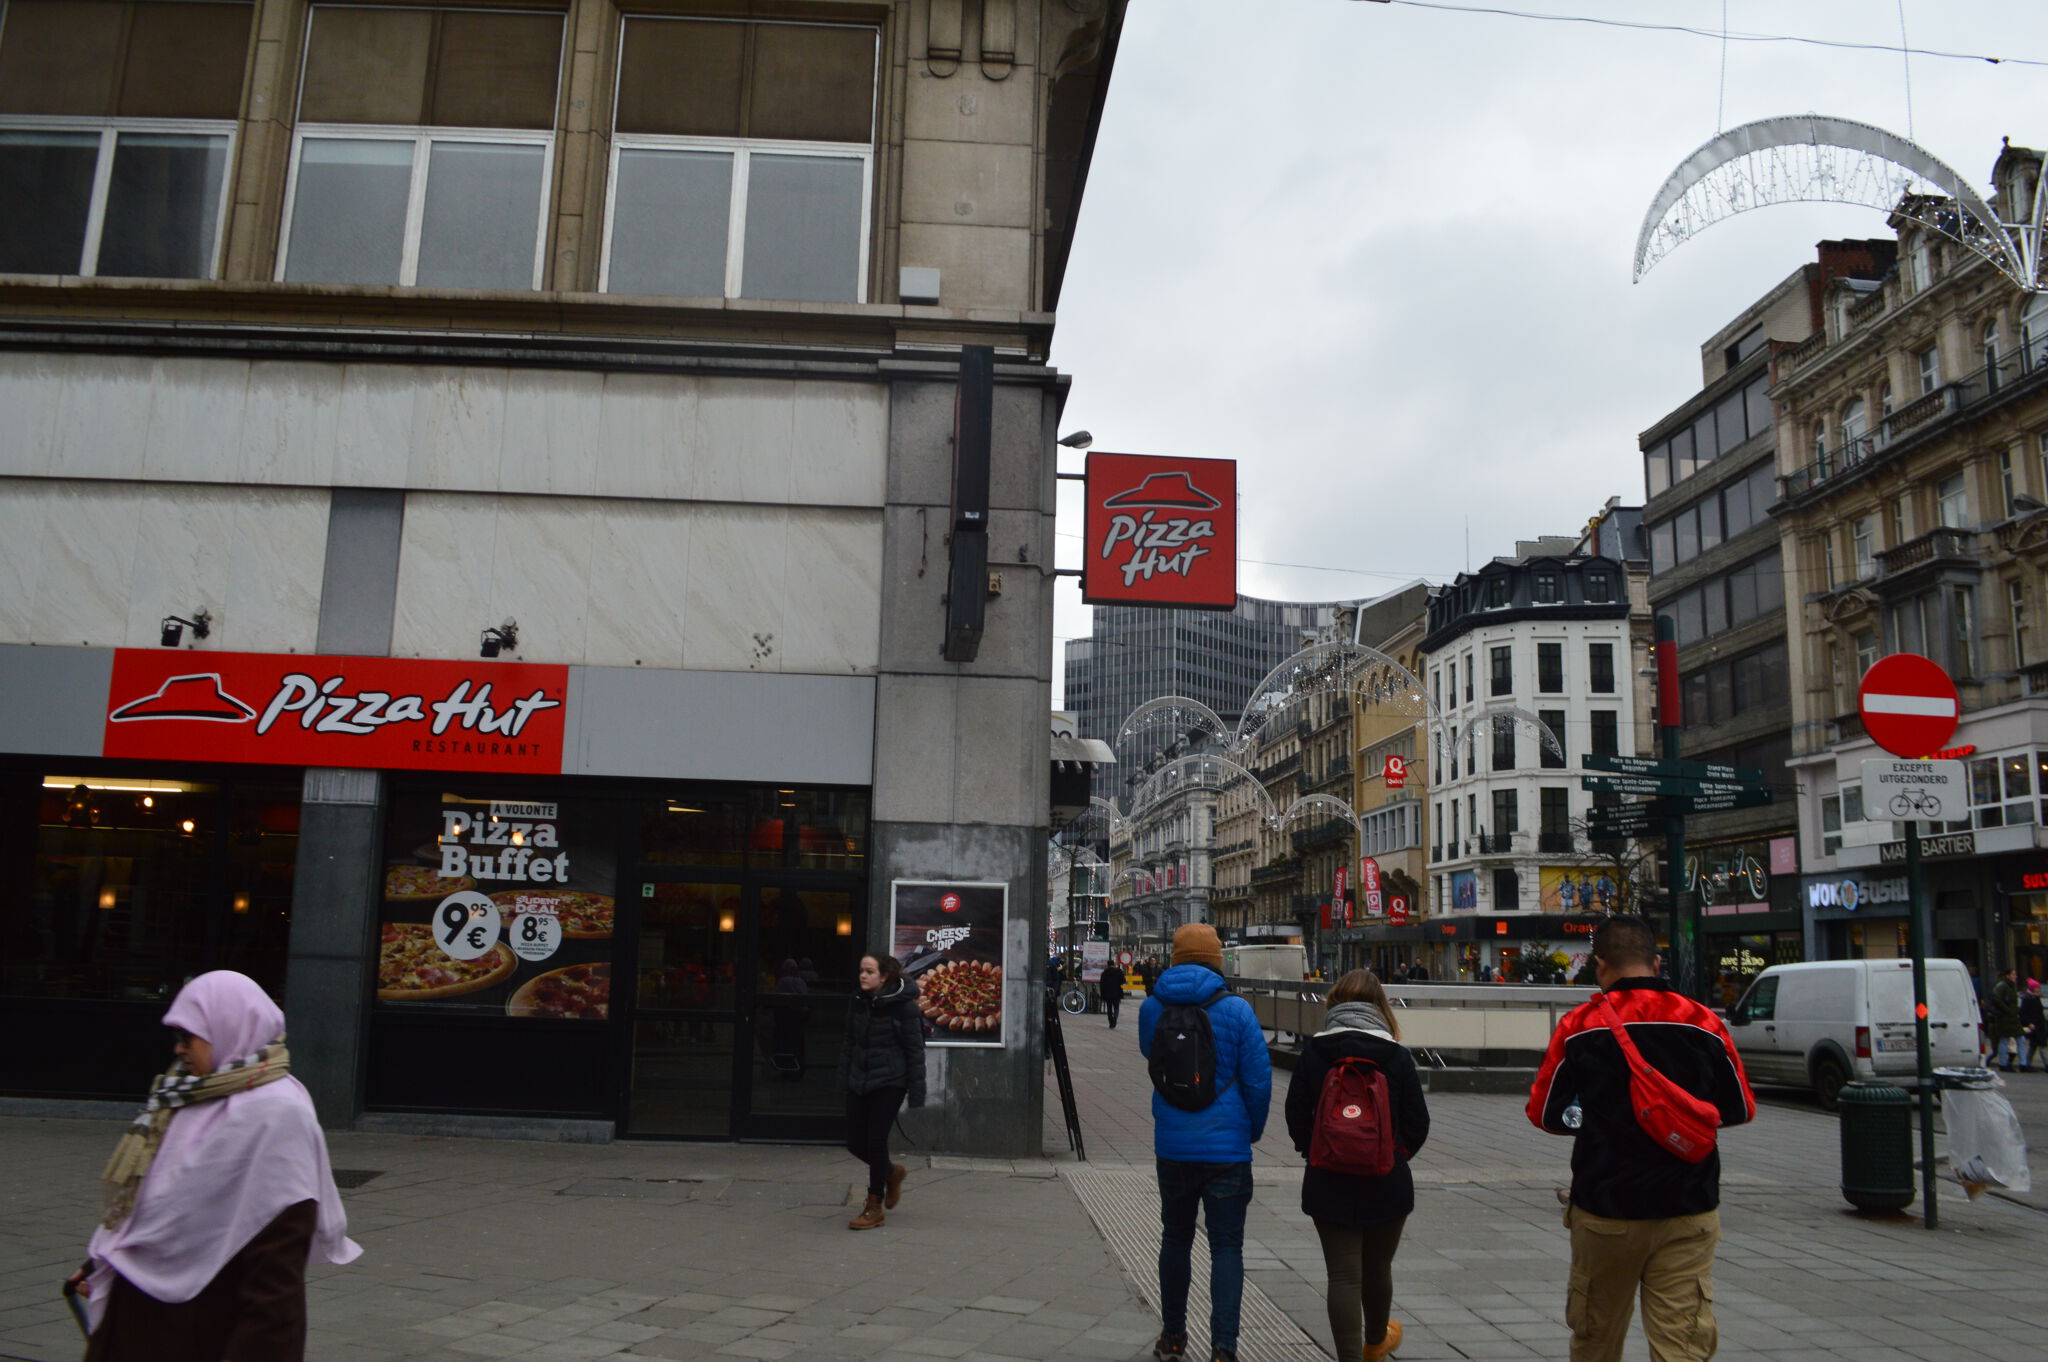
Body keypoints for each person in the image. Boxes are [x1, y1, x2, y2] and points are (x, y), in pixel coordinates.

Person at [67, 970, 361, 1361]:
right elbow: (168, 1200)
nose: (178, 1050)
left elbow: (276, 1284)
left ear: (228, 1026)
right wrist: (105, 1260)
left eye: (187, 1036)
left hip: (199, 1331)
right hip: (142, 1323)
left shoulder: (276, 1116)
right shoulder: (191, 1093)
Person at [1527, 917, 1755, 1362]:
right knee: (1682, 1343)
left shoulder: (1580, 1025)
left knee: (1597, 1337)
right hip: (1689, 1205)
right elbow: (1739, 1108)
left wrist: (1599, 1121)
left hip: (1607, 1208)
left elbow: (1544, 1113)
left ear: (1601, 966)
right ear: (1655, 962)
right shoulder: (1704, 1022)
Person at [1138, 924, 1272, 1362]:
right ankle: (1223, 1349)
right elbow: (1258, 1080)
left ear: (1174, 958)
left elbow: (1154, 1063)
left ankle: (1173, 1337)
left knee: (1175, 1238)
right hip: (1227, 1150)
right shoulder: (1236, 1010)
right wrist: (1249, 1130)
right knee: (1227, 1246)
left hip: (1173, 1144)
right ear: (1217, 960)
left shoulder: (1152, 1008)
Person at [1284, 970, 1429, 1362]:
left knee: (1343, 1275)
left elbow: (1296, 1113)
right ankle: (1376, 1342)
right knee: (1378, 1267)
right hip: (1387, 1180)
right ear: (1380, 1007)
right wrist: (1395, 1156)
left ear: (1334, 1003)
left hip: (1328, 1178)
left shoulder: (1315, 1052)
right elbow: (1418, 1123)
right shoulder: (1396, 1054)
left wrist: (1314, 1151)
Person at [841, 952, 926, 1230]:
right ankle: (891, 1172)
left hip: (891, 1081)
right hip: (860, 1079)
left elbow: (915, 1050)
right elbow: (850, 1042)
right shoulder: (858, 1002)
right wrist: (844, 1076)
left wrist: (916, 1092)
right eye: (861, 971)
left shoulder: (904, 1007)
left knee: (876, 1140)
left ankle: (873, 1206)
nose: (863, 976)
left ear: (884, 976)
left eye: (869, 971)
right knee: (855, 1142)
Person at [1989, 967, 2023, 1071]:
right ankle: (2004, 1064)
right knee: (2005, 1039)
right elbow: (1996, 999)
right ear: (2008, 975)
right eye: (2013, 974)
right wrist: (2007, 1010)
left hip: (2011, 1017)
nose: (2015, 977)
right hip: (2005, 1018)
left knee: (2020, 1039)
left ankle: (2023, 1064)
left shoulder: (2010, 986)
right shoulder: (2003, 986)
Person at [2022, 979, 2047, 1073]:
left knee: (2034, 1046)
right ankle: (2046, 1064)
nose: (2039, 989)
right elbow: (2024, 1014)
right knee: (2041, 1046)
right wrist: (2029, 1023)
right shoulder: (2029, 999)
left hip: (2038, 1025)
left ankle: (2027, 1064)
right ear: (2033, 989)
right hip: (2035, 1026)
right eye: (2037, 988)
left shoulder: (2034, 998)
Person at [1099, 958, 1128, 1029]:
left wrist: (1102, 994)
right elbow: (1123, 980)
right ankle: (1115, 1018)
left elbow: (1101, 984)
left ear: (1107, 965)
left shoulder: (1104, 973)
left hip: (1107, 993)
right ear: (1114, 964)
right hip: (1117, 992)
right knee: (1116, 1007)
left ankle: (1110, 1021)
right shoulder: (1118, 971)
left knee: (1109, 1008)